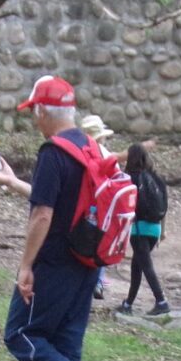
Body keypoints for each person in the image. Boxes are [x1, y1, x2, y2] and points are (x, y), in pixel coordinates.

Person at [0, 76, 110, 361]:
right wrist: (13, 182)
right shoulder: (92, 149)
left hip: (54, 263)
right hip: (88, 263)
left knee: (20, 334)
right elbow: (62, 199)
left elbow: (43, 214)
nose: (34, 120)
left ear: (42, 110)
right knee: (63, 343)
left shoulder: (53, 153)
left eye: (34, 113)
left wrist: (25, 266)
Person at [118, 143, 170, 316]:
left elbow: (123, 205)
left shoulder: (129, 178)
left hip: (138, 229)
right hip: (154, 229)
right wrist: (162, 232)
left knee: (146, 266)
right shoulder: (156, 178)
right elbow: (165, 207)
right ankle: (128, 304)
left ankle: (161, 301)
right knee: (137, 267)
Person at [79, 113, 117, 300]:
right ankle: (98, 281)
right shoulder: (105, 154)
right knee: (99, 244)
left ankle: (86, 280)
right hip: (103, 207)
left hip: (83, 206)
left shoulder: (79, 151)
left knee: (82, 242)